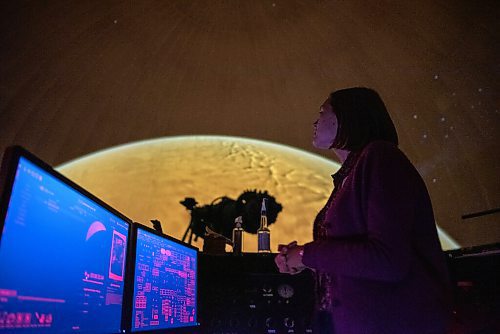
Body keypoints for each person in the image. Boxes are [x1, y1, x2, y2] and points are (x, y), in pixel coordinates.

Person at [275, 87, 452, 334]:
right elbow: (356, 261)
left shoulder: (381, 158)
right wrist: (303, 261)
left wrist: (306, 254)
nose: (316, 121)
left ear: (348, 117)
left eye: (322, 111)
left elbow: (387, 260)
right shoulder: (353, 173)